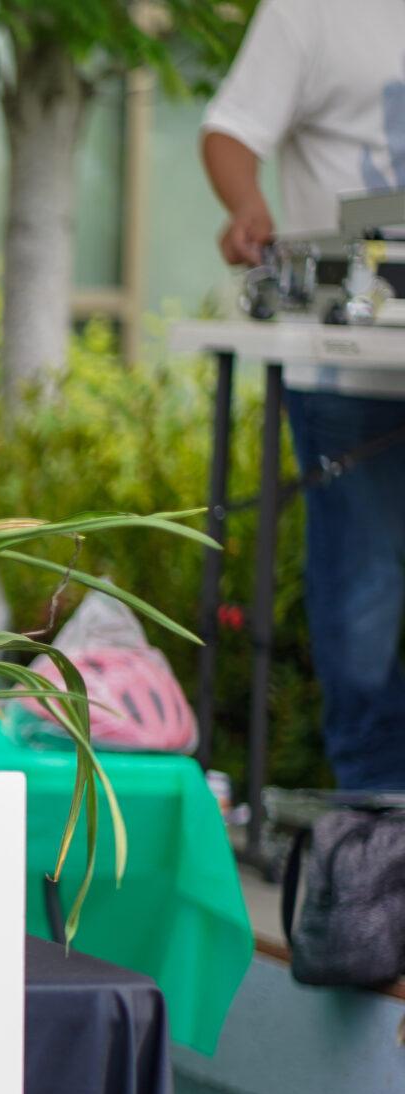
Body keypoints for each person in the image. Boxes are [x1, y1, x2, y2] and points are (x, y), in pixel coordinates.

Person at [202, 3, 405, 791]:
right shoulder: (312, 10)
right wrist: (247, 209)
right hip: (346, 373)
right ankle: (378, 823)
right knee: (364, 602)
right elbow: (230, 130)